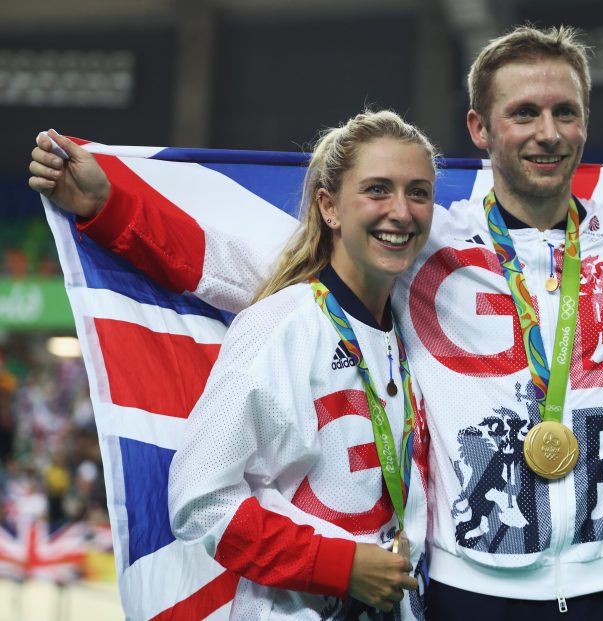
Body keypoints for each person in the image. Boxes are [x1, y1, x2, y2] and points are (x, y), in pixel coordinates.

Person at [29, 25, 603, 621]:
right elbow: (256, 271)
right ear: (481, 128)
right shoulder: (427, 236)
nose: (546, 130)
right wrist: (109, 210)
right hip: (472, 594)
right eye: (524, 112)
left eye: (564, 111)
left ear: (587, 127)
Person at [34, 110, 437, 620]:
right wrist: (338, 565)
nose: (401, 211)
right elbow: (199, 500)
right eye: (378, 189)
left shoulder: (414, 328)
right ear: (329, 207)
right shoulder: (281, 324)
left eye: (419, 192)